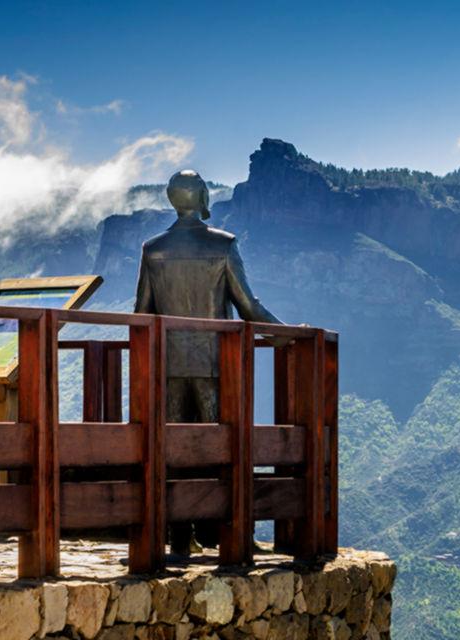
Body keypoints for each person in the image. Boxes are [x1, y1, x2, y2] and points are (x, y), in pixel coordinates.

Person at [134, 169, 284, 553]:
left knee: (175, 451)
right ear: (201, 197)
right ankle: (227, 533)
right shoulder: (223, 246)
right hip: (217, 365)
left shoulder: (153, 250)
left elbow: (142, 313)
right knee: (222, 449)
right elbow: (248, 306)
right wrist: (288, 334)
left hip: (168, 367)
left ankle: (180, 539)